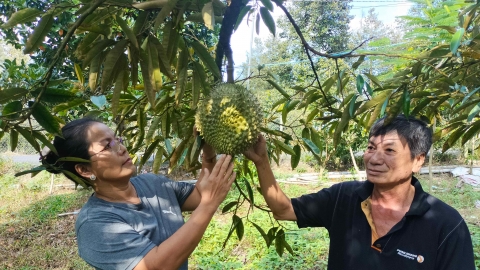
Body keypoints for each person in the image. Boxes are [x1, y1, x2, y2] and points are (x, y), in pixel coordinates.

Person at [244, 115, 475, 270]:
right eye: (371, 147)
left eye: (389, 150)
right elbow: (283, 209)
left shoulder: (446, 225)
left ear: (417, 161)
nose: (374, 158)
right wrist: (262, 161)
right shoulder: (343, 198)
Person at [43, 118, 235, 270]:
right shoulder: (95, 224)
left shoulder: (153, 183)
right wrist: (209, 205)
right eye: (107, 146)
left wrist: (208, 153)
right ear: (84, 170)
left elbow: (199, 196)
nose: (122, 148)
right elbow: (156, 266)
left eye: (117, 140)